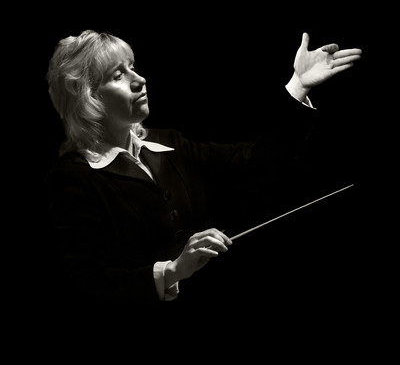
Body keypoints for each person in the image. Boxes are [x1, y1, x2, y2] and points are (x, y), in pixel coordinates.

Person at [44, 29, 362, 303]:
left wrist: (298, 85)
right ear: (88, 99)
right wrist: (172, 270)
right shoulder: (72, 177)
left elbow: (254, 163)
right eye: (118, 75)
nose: (139, 80)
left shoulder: (169, 144)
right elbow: (88, 280)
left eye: (133, 67)